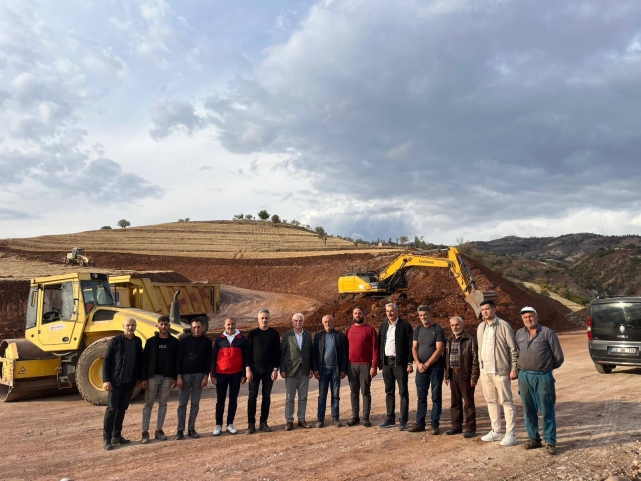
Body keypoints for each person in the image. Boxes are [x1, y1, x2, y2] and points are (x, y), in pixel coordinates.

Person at [516, 306, 564, 455]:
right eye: (525, 317)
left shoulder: (548, 333)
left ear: (537, 317)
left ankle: (550, 441)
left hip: (543, 376)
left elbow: (558, 357)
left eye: (530, 316)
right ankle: (533, 438)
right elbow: (516, 354)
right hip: (524, 376)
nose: (528, 319)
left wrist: (545, 368)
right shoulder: (519, 333)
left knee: (546, 410)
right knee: (528, 409)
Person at [477, 299, 519, 446]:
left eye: (487, 309)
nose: (485, 312)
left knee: (507, 402)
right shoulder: (481, 327)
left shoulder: (503, 325)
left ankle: (511, 434)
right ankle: (496, 431)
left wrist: (514, 368)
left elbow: (513, 349)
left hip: (500, 371)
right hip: (485, 371)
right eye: (483, 310)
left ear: (495, 309)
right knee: (491, 401)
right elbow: (480, 348)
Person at [102, 317, 143, 450]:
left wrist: (139, 378)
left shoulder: (137, 341)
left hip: (130, 382)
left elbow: (139, 361)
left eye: (132, 325)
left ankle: (116, 436)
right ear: (123, 326)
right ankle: (107, 439)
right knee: (111, 410)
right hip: (116, 382)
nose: (130, 327)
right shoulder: (115, 341)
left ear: (135, 326)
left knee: (122, 410)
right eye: (128, 325)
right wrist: (106, 380)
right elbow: (107, 361)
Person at [140, 315, 179, 444]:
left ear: (169, 326)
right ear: (157, 325)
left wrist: (175, 377)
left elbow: (177, 361)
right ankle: (145, 431)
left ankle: (158, 430)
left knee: (163, 404)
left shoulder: (174, 342)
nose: (163, 326)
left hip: (167, 377)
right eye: (161, 324)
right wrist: (143, 378)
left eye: (166, 324)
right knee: (148, 404)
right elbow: (144, 361)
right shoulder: (151, 342)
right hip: (152, 377)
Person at [407, 305, 445, 434]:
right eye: (421, 315)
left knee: (436, 396)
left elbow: (439, 349)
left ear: (430, 314)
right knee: (421, 396)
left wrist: (427, 364)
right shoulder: (417, 330)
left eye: (425, 314)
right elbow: (414, 348)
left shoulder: (438, 329)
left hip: (435, 368)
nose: (423, 317)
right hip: (421, 369)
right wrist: (418, 363)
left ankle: (435, 424)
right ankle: (420, 423)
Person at [175, 317, 212, 440]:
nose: (196, 329)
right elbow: (178, 359)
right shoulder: (184, 341)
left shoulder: (207, 341)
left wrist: (206, 376)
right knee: (182, 404)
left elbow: (208, 360)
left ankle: (191, 429)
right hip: (185, 375)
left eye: (198, 327)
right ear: (191, 328)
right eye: (194, 327)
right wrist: (179, 376)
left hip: (200, 375)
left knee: (195, 403)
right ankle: (180, 430)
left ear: (203, 327)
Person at [378, 303, 414, 431]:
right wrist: (380, 361)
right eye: (387, 311)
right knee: (389, 391)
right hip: (387, 363)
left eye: (392, 311)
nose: (389, 313)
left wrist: (410, 362)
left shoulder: (405, 326)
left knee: (403, 392)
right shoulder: (383, 326)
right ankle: (390, 418)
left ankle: (403, 420)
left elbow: (410, 345)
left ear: (397, 311)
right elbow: (380, 343)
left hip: (400, 363)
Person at [245, 309, 281, 434]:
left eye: (266, 318)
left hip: (269, 370)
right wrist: (248, 369)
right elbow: (248, 352)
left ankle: (263, 422)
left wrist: (275, 369)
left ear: (269, 319)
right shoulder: (253, 334)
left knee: (266, 396)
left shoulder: (274, 334)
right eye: (262, 318)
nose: (264, 320)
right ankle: (251, 424)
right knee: (252, 397)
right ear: (258, 319)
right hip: (254, 369)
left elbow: (277, 353)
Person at [444, 316, 479, 438]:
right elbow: (446, 359)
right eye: (452, 325)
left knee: (468, 403)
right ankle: (456, 426)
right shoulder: (448, 340)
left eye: (457, 324)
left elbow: (475, 360)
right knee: (455, 402)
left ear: (462, 325)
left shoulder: (470, 340)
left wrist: (474, 377)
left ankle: (470, 428)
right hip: (453, 375)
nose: (455, 327)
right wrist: (446, 374)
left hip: (465, 375)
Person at [211, 318, 247, 436]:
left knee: (233, 399)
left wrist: (243, 374)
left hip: (236, 374)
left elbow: (245, 357)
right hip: (221, 374)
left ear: (235, 325)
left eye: (232, 324)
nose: (230, 327)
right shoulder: (219, 339)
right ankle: (218, 425)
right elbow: (213, 357)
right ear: (224, 325)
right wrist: (213, 374)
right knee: (220, 400)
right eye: (228, 324)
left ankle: (230, 424)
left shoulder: (241, 339)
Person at [312, 315, 349, 428]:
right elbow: (314, 354)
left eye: (329, 322)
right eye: (325, 322)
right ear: (323, 323)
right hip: (323, 370)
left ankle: (335, 418)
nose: (328, 324)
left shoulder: (340, 336)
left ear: (333, 322)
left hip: (335, 371)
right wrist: (315, 369)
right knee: (322, 396)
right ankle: (320, 419)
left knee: (335, 395)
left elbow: (344, 354)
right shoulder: (319, 336)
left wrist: (343, 369)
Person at [345, 306, 379, 427]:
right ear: (352, 315)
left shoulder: (370, 330)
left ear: (364, 314)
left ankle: (365, 418)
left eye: (359, 313)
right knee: (354, 392)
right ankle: (355, 417)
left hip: (366, 365)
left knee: (365, 392)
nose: (357, 315)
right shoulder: (349, 329)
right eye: (355, 313)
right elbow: (345, 348)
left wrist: (374, 366)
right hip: (351, 365)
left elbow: (375, 349)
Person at [280, 312, 313, 431]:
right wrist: (282, 369)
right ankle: (289, 420)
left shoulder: (308, 335)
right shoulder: (287, 336)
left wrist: (311, 368)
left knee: (303, 397)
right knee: (290, 397)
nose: (298, 322)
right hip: (291, 370)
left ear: (303, 322)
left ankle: (301, 419)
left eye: (300, 321)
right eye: (296, 320)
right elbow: (282, 353)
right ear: (292, 322)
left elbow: (311, 352)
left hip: (304, 370)